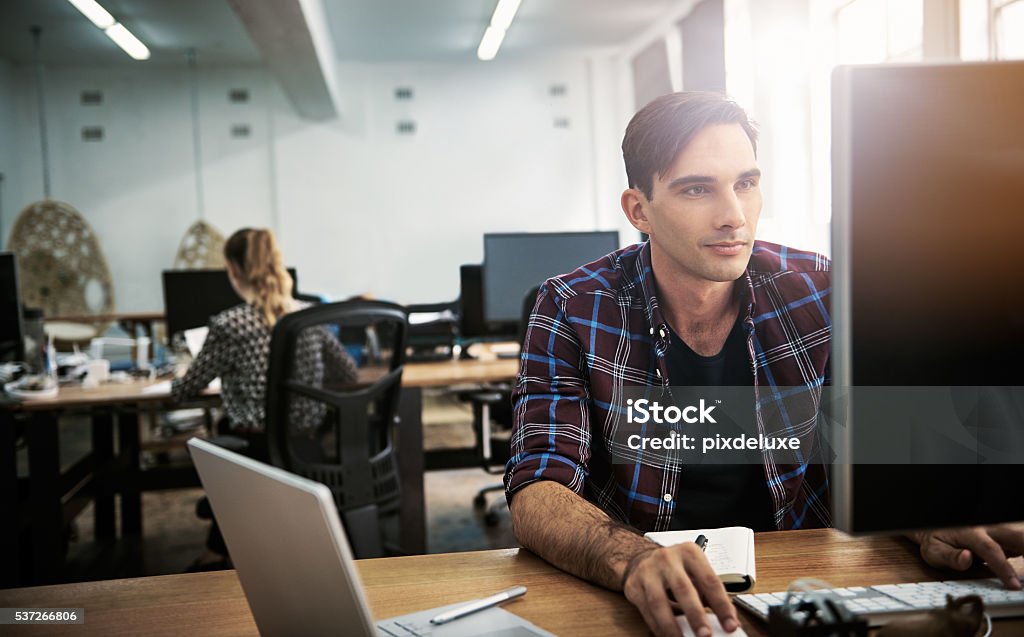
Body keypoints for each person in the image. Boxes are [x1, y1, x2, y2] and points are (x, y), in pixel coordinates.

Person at [503, 92, 1024, 637]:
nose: (733, 216)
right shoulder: (573, 304)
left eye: (746, 184)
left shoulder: (815, 286)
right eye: (697, 189)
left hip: (798, 589)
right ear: (639, 210)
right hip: (647, 598)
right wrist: (632, 559)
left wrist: (924, 523)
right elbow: (539, 488)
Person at [172, 227, 357, 568]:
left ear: (233, 269)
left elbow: (183, 392)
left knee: (221, 435)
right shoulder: (309, 317)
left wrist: (178, 377)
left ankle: (216, 553)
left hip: (252, 452)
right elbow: (347, 372)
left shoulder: (230, 324)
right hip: (306, 446)